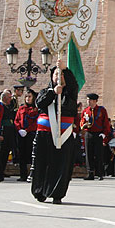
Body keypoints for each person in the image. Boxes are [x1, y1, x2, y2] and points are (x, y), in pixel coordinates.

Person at [32, 59, 79, 204]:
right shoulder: (45, 92)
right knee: (42, 163)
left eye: (62, 75)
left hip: (63, 134)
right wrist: (53, 92)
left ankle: (57, 193)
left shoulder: (70, 94)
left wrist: (65, 69)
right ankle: (40, 191)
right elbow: (40, 103)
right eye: (56, 74)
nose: (59, 77)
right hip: (44, 134)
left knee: (61, 165)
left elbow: (73, 86)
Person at [81, 93, 111, 180]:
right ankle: (90, 172)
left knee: (99, 154)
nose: (88, 102)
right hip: (89, 133)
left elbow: (105, 122)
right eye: (87, 100)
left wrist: (104, 133)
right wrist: (84, 123)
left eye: (89, 100)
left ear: (95, 101)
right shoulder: (86, 111)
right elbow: (82, 122)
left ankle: (100, 173)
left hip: (98, 134)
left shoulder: (101, 110)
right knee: (88, 154)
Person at [14, 89, 39, 181]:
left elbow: (36, 122)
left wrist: (27, 130)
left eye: (30, 97)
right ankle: (22, 175)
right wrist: (19, 129)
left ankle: (32, 174)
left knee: (31, 154)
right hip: (21, 134)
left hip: (30, 134)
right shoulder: (21, 108)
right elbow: (16, 120)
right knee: (21, 155)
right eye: (26, 97)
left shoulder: (36, 109)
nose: (28, 99)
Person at [0, 89, 18, 182]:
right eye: (9, 97)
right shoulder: (0, 106)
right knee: (2, 153)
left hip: (10, 132)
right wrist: (0, 134)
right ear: (4, 98)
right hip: (3, 131)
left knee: (6, 153)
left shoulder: (8, 106)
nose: (10, 99)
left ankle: (2, 170)